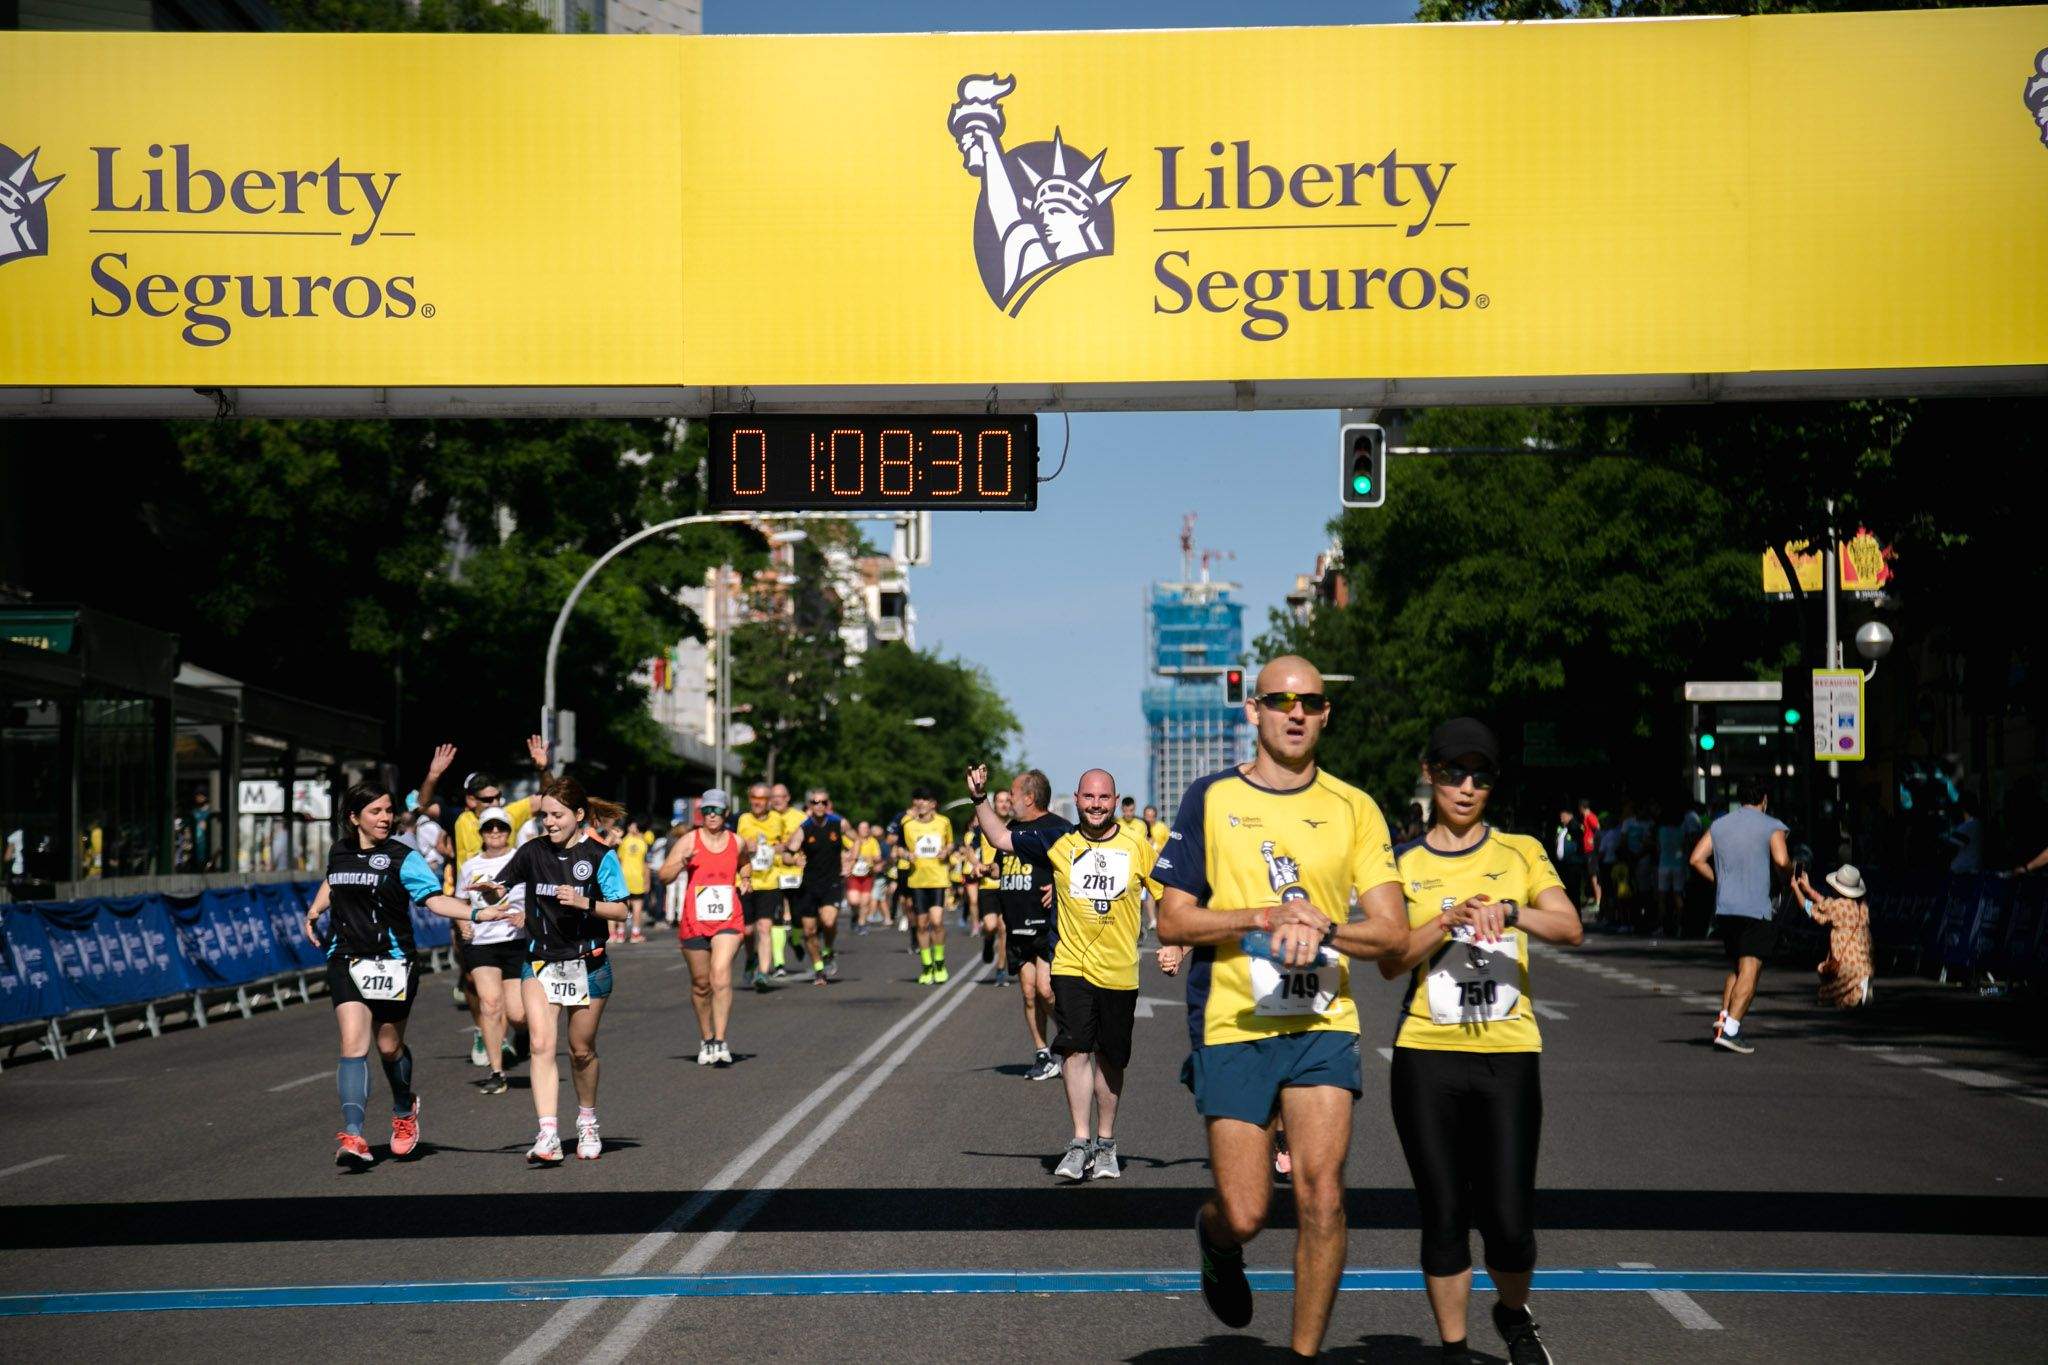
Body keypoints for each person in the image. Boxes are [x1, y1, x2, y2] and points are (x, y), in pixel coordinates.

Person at [1154, 655, 1408, 1361]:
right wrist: (1265, 914)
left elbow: (1390, 931)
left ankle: (1303, 1355)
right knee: (1247, 1210)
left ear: (1326, 713)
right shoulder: (1208, 797)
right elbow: (1173, 921)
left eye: (1310, 702)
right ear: (1254, 710)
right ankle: (1215, 1240)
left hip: (1322, 1022)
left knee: (1323, 1196)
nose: (1295, 713)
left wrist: (1327, 926)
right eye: (1280, 700)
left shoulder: (1353, 806)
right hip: (1235, 1021)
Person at [1379, 718, 1583, 1365]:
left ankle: (1512, 1311)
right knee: (1443, 1212)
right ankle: (1455, 1347)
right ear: (1430, 773)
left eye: (1481, 774)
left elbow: (1570, 925)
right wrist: (1445, 918)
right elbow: (1389, 961)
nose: (1467, 786)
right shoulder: (1404, 862)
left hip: (1508, 1054)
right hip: (1425, 1054)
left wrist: (1513, 910)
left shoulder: (1519, 852)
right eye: (1453, 772)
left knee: (1509, 1223)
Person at [301, 756, 507, 1168]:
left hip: (392, 962)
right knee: (352, 1044)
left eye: (389, 810)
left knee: (388, 1045)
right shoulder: (339, 852)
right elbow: (335, 881)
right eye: (375, 811)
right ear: (354, 817)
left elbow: (433, 900)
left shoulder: (403, 856)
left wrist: (477, 913)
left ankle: (403, 1109)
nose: (385, 817)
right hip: (345, 958)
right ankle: (355, 1135)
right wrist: (314, 911)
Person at [968, 763, 1156, 1182]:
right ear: (1077, 798)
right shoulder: (1059, 839)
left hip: (1119, 968)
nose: (1095, 804)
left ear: (1114, 800)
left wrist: (1176, 944)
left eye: (1104, 797)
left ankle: (1106, 1142)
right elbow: (999, 837)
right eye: (1088, 797)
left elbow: (1166, 891)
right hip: (1070, 963)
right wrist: (980, 799)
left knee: (1111, 1057)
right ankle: (1079, 1139)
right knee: (1073, 1048)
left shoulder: (1137, 843)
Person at [471, 774, 632, 1163]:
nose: (550, 823)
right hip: (541, 962)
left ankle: (587, 1121)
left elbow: (622, 910)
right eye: (545, 816)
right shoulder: (532, 852)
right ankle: (547, 1134)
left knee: (580, 1051)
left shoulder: (599, 855)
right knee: (542, 1045)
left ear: (579, 815)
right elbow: (503, 885)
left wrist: (584, 903)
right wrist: (489, 890)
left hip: (587, 964)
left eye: (558, 815)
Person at [1688, 777, 1790, 1055]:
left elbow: (1696, 858)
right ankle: (1732, 1029)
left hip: (1726, 906)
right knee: (1751, 968)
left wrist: (1719, 881)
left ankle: (1723, 1017)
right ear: (1764, 799)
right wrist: (1788, 878)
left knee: (1737, 966)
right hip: (1755, 906)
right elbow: (1781, 861)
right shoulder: (1772, 825)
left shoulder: (1720, 825)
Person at [659, 788, 745, 1065]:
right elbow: (664, 876)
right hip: (695, 919)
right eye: (706, 810)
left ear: (726, 813)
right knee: (700, 984)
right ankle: (706, 1038)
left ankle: (720, 1039)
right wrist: (681, 864)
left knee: (720, 974)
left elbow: (745, 864)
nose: (711, 815)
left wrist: (746, 878)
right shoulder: (688, 841)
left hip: (728, 918)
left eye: (716, 810)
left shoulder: (737, 841)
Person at [993, 770, 1066, 1081]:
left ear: (1029, 798)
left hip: (1046, 926)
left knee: (1046, 990)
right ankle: (1042, 1052)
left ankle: (1070, 1040)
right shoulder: (1011, 829)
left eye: (1013, 792)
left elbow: (1077, 865)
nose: (1009, 798)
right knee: (1027, 992)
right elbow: (1001, 863)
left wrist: (1059, 887)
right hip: (1017, 923)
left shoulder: (1059, 829)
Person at [455, 806, 529, 1095]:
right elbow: (460, 901)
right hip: (482, 943)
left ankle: (521, 1033)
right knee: (490, 1004)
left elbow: (537, 893)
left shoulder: (521, 859)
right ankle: (496, 1071)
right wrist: (463, 923)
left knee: (518, 1014)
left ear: (509, 832)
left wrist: (527, 916)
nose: (495, 832)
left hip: (514, 939)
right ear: (482, 833)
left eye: (501, 827)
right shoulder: (470, 866)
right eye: (489, 828)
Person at [784, 787, 848, 986]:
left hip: (832, 882)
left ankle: (828, 949)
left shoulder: (839, 824)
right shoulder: (804, 828)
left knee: (828, 922)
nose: (819, 806)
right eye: (815, 802)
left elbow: (857, 841)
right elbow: (787, 853)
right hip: (809, 885)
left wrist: (851, 860)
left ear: (828, 805)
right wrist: (793, 861)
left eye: (823, 802)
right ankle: (819, 969)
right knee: (809, 931)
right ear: (809, 806)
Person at [1796, 863, 1874, 1008]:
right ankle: (1860, 987)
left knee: (1824, 995)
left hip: (1847, 966)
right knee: (1843, 1000)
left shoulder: (1837, 906)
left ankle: (1859, 990)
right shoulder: (1862, 905)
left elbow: (1810, 909)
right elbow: (1826, 904)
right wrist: (1808, 889)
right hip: (1865, 965)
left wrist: (1796, 888)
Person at [736, 783, 789, 991]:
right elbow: (738, 844)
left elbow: (786, 845)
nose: (757, 803)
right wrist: (747, 846)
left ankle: (763, 973)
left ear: (768, 802)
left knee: (764, 927)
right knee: (747, 931)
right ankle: (751, 958)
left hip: (769, 881)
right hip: (746, 881)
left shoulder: (778, 820)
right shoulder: (744, 820)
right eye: (754, 799)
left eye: (762, 800)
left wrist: (772, 848)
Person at [901, 787, 956, 984]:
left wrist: (946, 851)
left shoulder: (944, 822)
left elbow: (951, 843)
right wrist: (906, 855)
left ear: (933, 804)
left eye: (925, 800)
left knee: (937, 921)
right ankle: (926, 966)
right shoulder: (907, 825)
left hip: (938, 879)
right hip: (917, 881)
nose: (920, 803)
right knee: (922, 925)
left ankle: (939, 962)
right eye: (917, 800)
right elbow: (898, 848)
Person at [973, 792, 1010, 984]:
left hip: (1009, 883)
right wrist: (976, 864)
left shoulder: (1016, 826)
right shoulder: (985, 825)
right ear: (994, 804)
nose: (1003, 805)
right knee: (991, 925)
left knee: (1004, 928)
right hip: (988, 884)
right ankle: (988, 941)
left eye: (1007, 801)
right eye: (1000, 801)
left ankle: (1001, 970)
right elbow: (970, 847)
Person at [616, 818, 652, 944]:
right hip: (638, 878)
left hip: (624, 878)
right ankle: (635, 934)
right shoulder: (643, 843)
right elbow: (646, 864)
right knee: (637, 907)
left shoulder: (623, 842)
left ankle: (620, 934)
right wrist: (647, 881)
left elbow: (619, 861)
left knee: (624, 907)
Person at [846, 819, 882, 932]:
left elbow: (878, 857)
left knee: (865, 902)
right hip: (853, 875)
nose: (865, 830)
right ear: (858, 830)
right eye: (862, 828)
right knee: (854, 901)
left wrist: (873, 859)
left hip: (867, 875)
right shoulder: (850, 841)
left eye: (867, 828)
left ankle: (861, 924)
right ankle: (855, 915)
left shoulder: (873, 841)